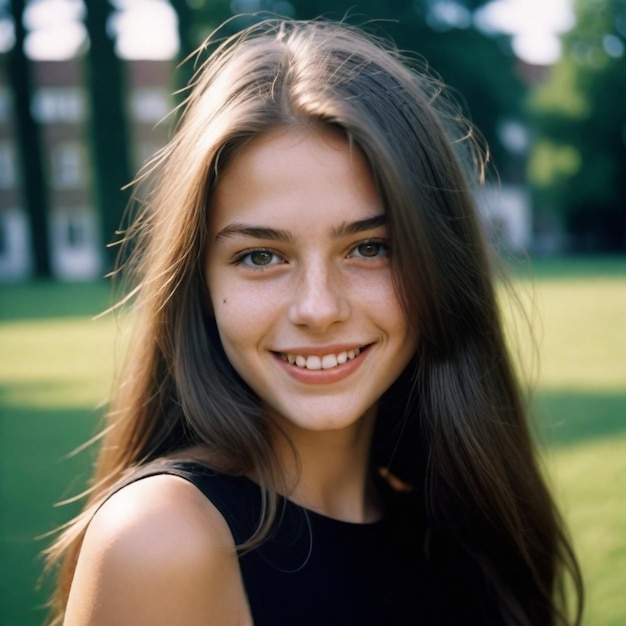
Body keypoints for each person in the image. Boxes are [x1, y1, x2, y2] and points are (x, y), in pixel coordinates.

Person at [45, 18, 583, 626]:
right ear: (200, 283)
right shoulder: (164, 538)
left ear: (440, 261)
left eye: (369, 247)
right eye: (261, 256)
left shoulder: (457, 522)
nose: (319, 309)